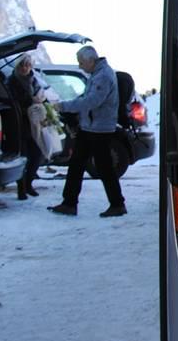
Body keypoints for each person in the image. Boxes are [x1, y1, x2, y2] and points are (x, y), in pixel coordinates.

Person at [47, 45, 127, 217]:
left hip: (99, 129)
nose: (80, 66)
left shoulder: (103, 76)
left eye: (81, 62)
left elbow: (91, 101)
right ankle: (69, 203)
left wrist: (64, 106)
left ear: (91, 61)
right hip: (90, 126)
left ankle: (117, 204)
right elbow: (85, 98)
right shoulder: (96, 75)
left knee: (103, 166)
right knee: (77, 164)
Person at [8, 55, 44, 200]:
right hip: (19, 123)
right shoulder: (11, 81)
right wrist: (31, 100)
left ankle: (29, 183)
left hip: (34, 122)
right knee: (24, 156)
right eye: (22, 65)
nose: (25, 68)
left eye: (27, 65)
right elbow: (13, 101)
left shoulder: (34, 80)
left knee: (37, 154)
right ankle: (21, 188)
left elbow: (41, 95)